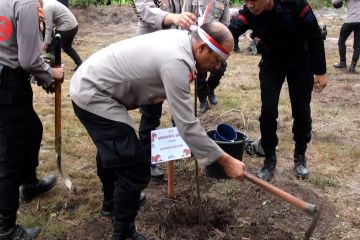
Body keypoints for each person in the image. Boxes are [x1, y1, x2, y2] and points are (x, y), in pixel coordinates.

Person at [70, 22, 246, 240]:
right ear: (201, 48)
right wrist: (225, 160)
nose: (217, 67)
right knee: (134, 167)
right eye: (217, 60)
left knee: (115, 150)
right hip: (94, 93)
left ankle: (111, 205)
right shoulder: (177, 62)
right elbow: (187, 125)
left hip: (95, 84)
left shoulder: (182, 41)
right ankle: (124, 233)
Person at [229, 0, 327, 181]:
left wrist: (320, 71)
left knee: (301, 110)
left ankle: (300, 156)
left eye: (254, 0)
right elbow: (232, 29)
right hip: (272, 63)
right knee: (268, 111)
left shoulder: (296, 4)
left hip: (300, 63)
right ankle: (269, 158)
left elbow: (314, 35)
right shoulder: (249, 12)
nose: (250, 5)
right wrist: (209, 41)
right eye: (246, 0)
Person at [0, 0, 64, 239]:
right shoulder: (25, 3)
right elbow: (28, 60)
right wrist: (50, 73)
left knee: (32, 129)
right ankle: (6, 228)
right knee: (9, 155)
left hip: (6, 77)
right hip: (9, 84)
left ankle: (30, 184)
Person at [135, 0, 197, 180]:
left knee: (181, 105)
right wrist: (176, 18)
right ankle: (148, 160)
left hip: (177, 54)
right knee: (151, 112)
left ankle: (182, 145)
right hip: (150, 56)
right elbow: (146, 11)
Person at [192, 0, 231, 114]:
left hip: (216, 44)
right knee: (199, 75)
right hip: (199, 41)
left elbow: (225, 21)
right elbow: (186, 15)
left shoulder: (223, 1)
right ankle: (203, 99)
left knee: (220, 69)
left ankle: (210, 89)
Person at [43, 0, 82, 71]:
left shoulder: (46, 7)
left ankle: (56, 69)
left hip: (66, 26)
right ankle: (80, 64)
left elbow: (49, 27)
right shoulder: (49, 2)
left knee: (54, 49)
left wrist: (46, 43)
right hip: (74, 25)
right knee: (67, 47)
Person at [332, 0, 360, 73]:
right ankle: (352, 67)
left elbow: (335, 2)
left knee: (341, 41)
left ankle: (342, 62)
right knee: (357, 45)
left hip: (350, 21)